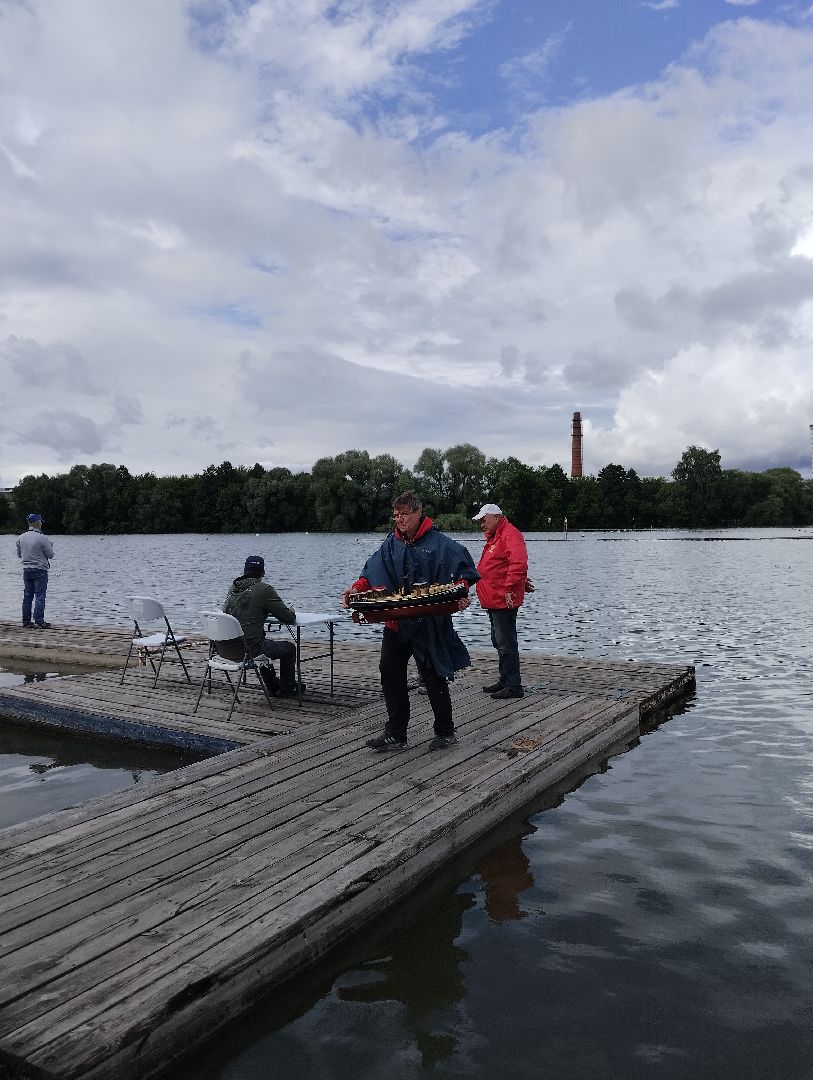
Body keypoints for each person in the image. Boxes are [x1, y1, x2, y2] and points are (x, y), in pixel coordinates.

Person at [343, 490, 479, 751]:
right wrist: (355, 589)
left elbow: (463, 572)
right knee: (390, 672)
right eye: (396, 515)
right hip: (396, 621)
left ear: (418, 513)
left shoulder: (439, 543)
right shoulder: (390, 543)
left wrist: (462, 592)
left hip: (428, 622)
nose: (400, 520)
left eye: (405, 514)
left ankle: (445, 732)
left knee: (432, 676)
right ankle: (396, 734)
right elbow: (371, 573)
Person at [219, 555, 302, 698]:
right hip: (247, 651)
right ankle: (287, 689)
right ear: (263, 573)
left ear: (244, 571)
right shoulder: (264, 589)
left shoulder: (233, 588)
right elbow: (288, 618)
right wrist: (290, 611)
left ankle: (273, 686)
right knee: (288, 648)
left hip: (223, 649)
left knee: (262, 644)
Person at [472, 503, 529, 699]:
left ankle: (514, 686)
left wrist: (510, 588)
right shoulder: (496, 536)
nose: (481, 524)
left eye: (484, 520)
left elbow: (518, 563)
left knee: (506, 642)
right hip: (494, 598)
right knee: (498, 640)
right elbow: (501, 566)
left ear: (495, 517)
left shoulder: (509, 534)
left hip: (503, 598)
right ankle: (505, 679)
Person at [16, 513, 55, 629]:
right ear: (37, 523)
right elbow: (51, 555)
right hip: (40, 570)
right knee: (40, 596)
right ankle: (39, 621)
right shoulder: (42, 538)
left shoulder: (20, 537)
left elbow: (19, 555)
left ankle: (26, 621)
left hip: (26, 570)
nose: (42, 524)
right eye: (41, 522)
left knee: (27, 596)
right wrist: (50, 546)